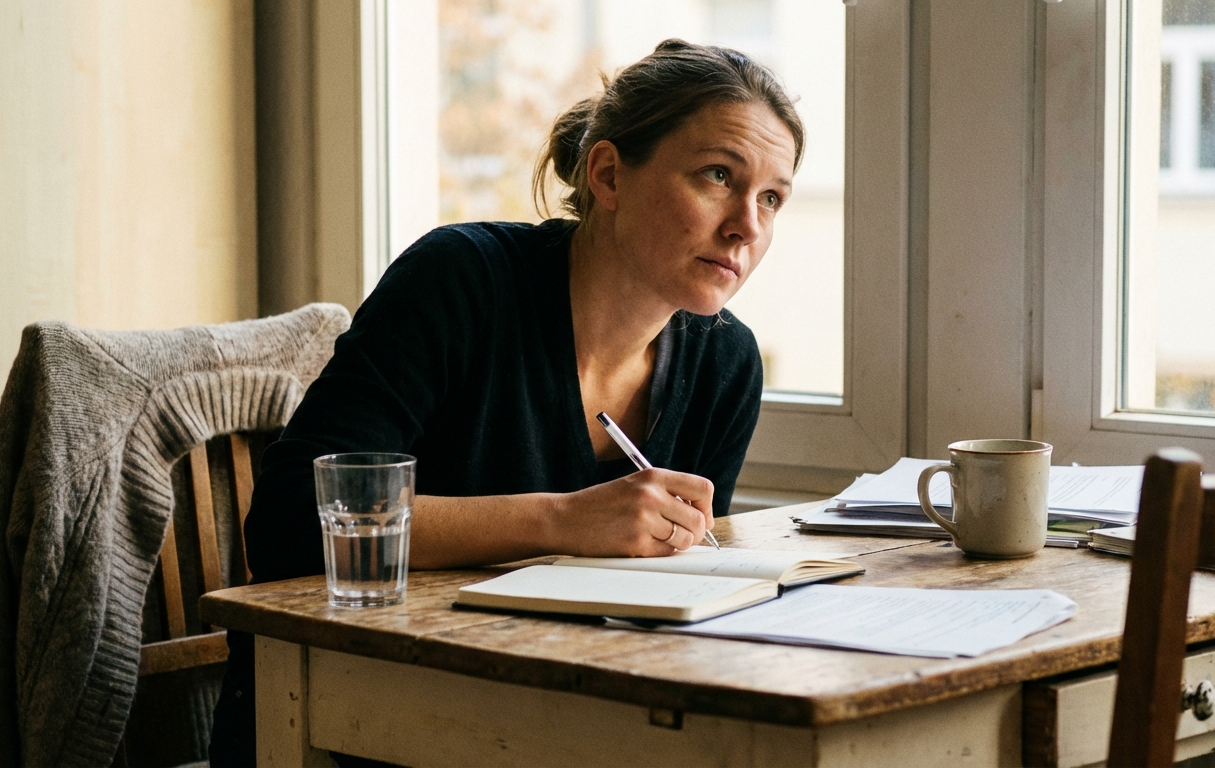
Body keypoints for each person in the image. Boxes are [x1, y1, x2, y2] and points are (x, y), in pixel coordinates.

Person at [209, 38, 803, 766]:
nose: (748, 224)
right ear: (610, 175)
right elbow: (294, 524)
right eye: (719, 175)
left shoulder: (725, 362)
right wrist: (563, 520)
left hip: (566, 720)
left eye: (772, 197)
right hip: (351, 721)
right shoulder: (461, 281)